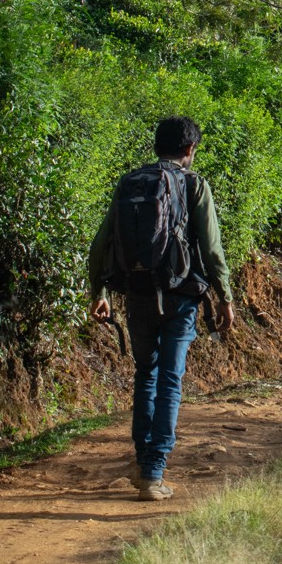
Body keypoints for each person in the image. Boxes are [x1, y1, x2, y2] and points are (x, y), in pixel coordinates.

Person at [89, 116, 236, 500]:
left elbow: (101, 243)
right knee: (170, 378)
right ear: (190, 150)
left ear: (158, 146)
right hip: (180, 296)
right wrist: (225, 297)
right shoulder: (194, 184)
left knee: (145, 374)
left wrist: (99, 292)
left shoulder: (130, 183)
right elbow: (211, 249)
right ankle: (154, 472)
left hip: (136, 294)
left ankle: (143, 464)